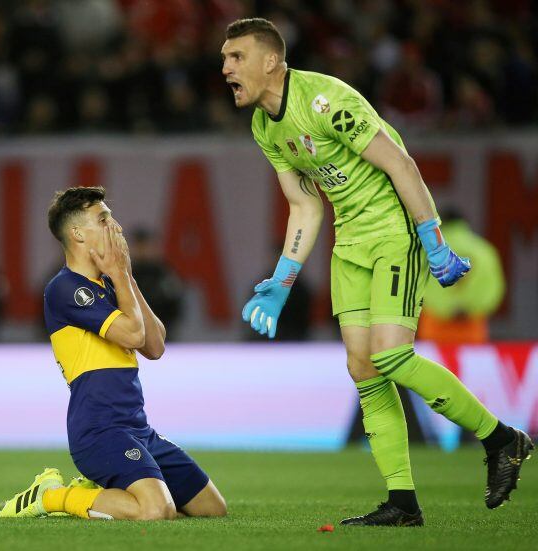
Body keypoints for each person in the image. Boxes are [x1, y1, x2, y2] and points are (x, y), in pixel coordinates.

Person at [221, 18, 533, 526]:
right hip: (351, 244)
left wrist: (432, 240)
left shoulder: (323, 101)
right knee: (363, 370)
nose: (225, 68)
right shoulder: (263, 125)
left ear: (271, 61)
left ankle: (502, 439)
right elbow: (306, 207)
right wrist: (282, 281)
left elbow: (400, 164)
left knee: (390, 355)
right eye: (224, 59)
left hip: (393, 232)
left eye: (236, 57)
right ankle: (403, 503)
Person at [0, 186, 226, 521]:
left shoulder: (111, 286)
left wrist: (126, 277)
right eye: (103, 219)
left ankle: (104, 494)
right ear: (77, 233)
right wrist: (119, 273)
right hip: (98, 430)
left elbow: (156, 346)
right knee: (155, 511)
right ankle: (57, 496)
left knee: (212, 509)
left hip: (138, 428)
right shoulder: (64, 288)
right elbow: (134, 334)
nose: (116, 227)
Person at [417, 208, 506, 344]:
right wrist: (472, 308)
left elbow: (416, 285)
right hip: (472, 329)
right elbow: (495, 290)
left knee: (433, 364)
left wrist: (445, 308)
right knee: (468, 364)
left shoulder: (427, 249)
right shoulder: (485, 251)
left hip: (435, 328)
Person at [129, 227, 184, 340]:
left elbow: (175, 304)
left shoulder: (163, 274)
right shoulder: (126, 273)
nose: (142, 250)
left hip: (163, 335)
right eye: (138, 245)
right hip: (132, 336)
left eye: (145, 245)